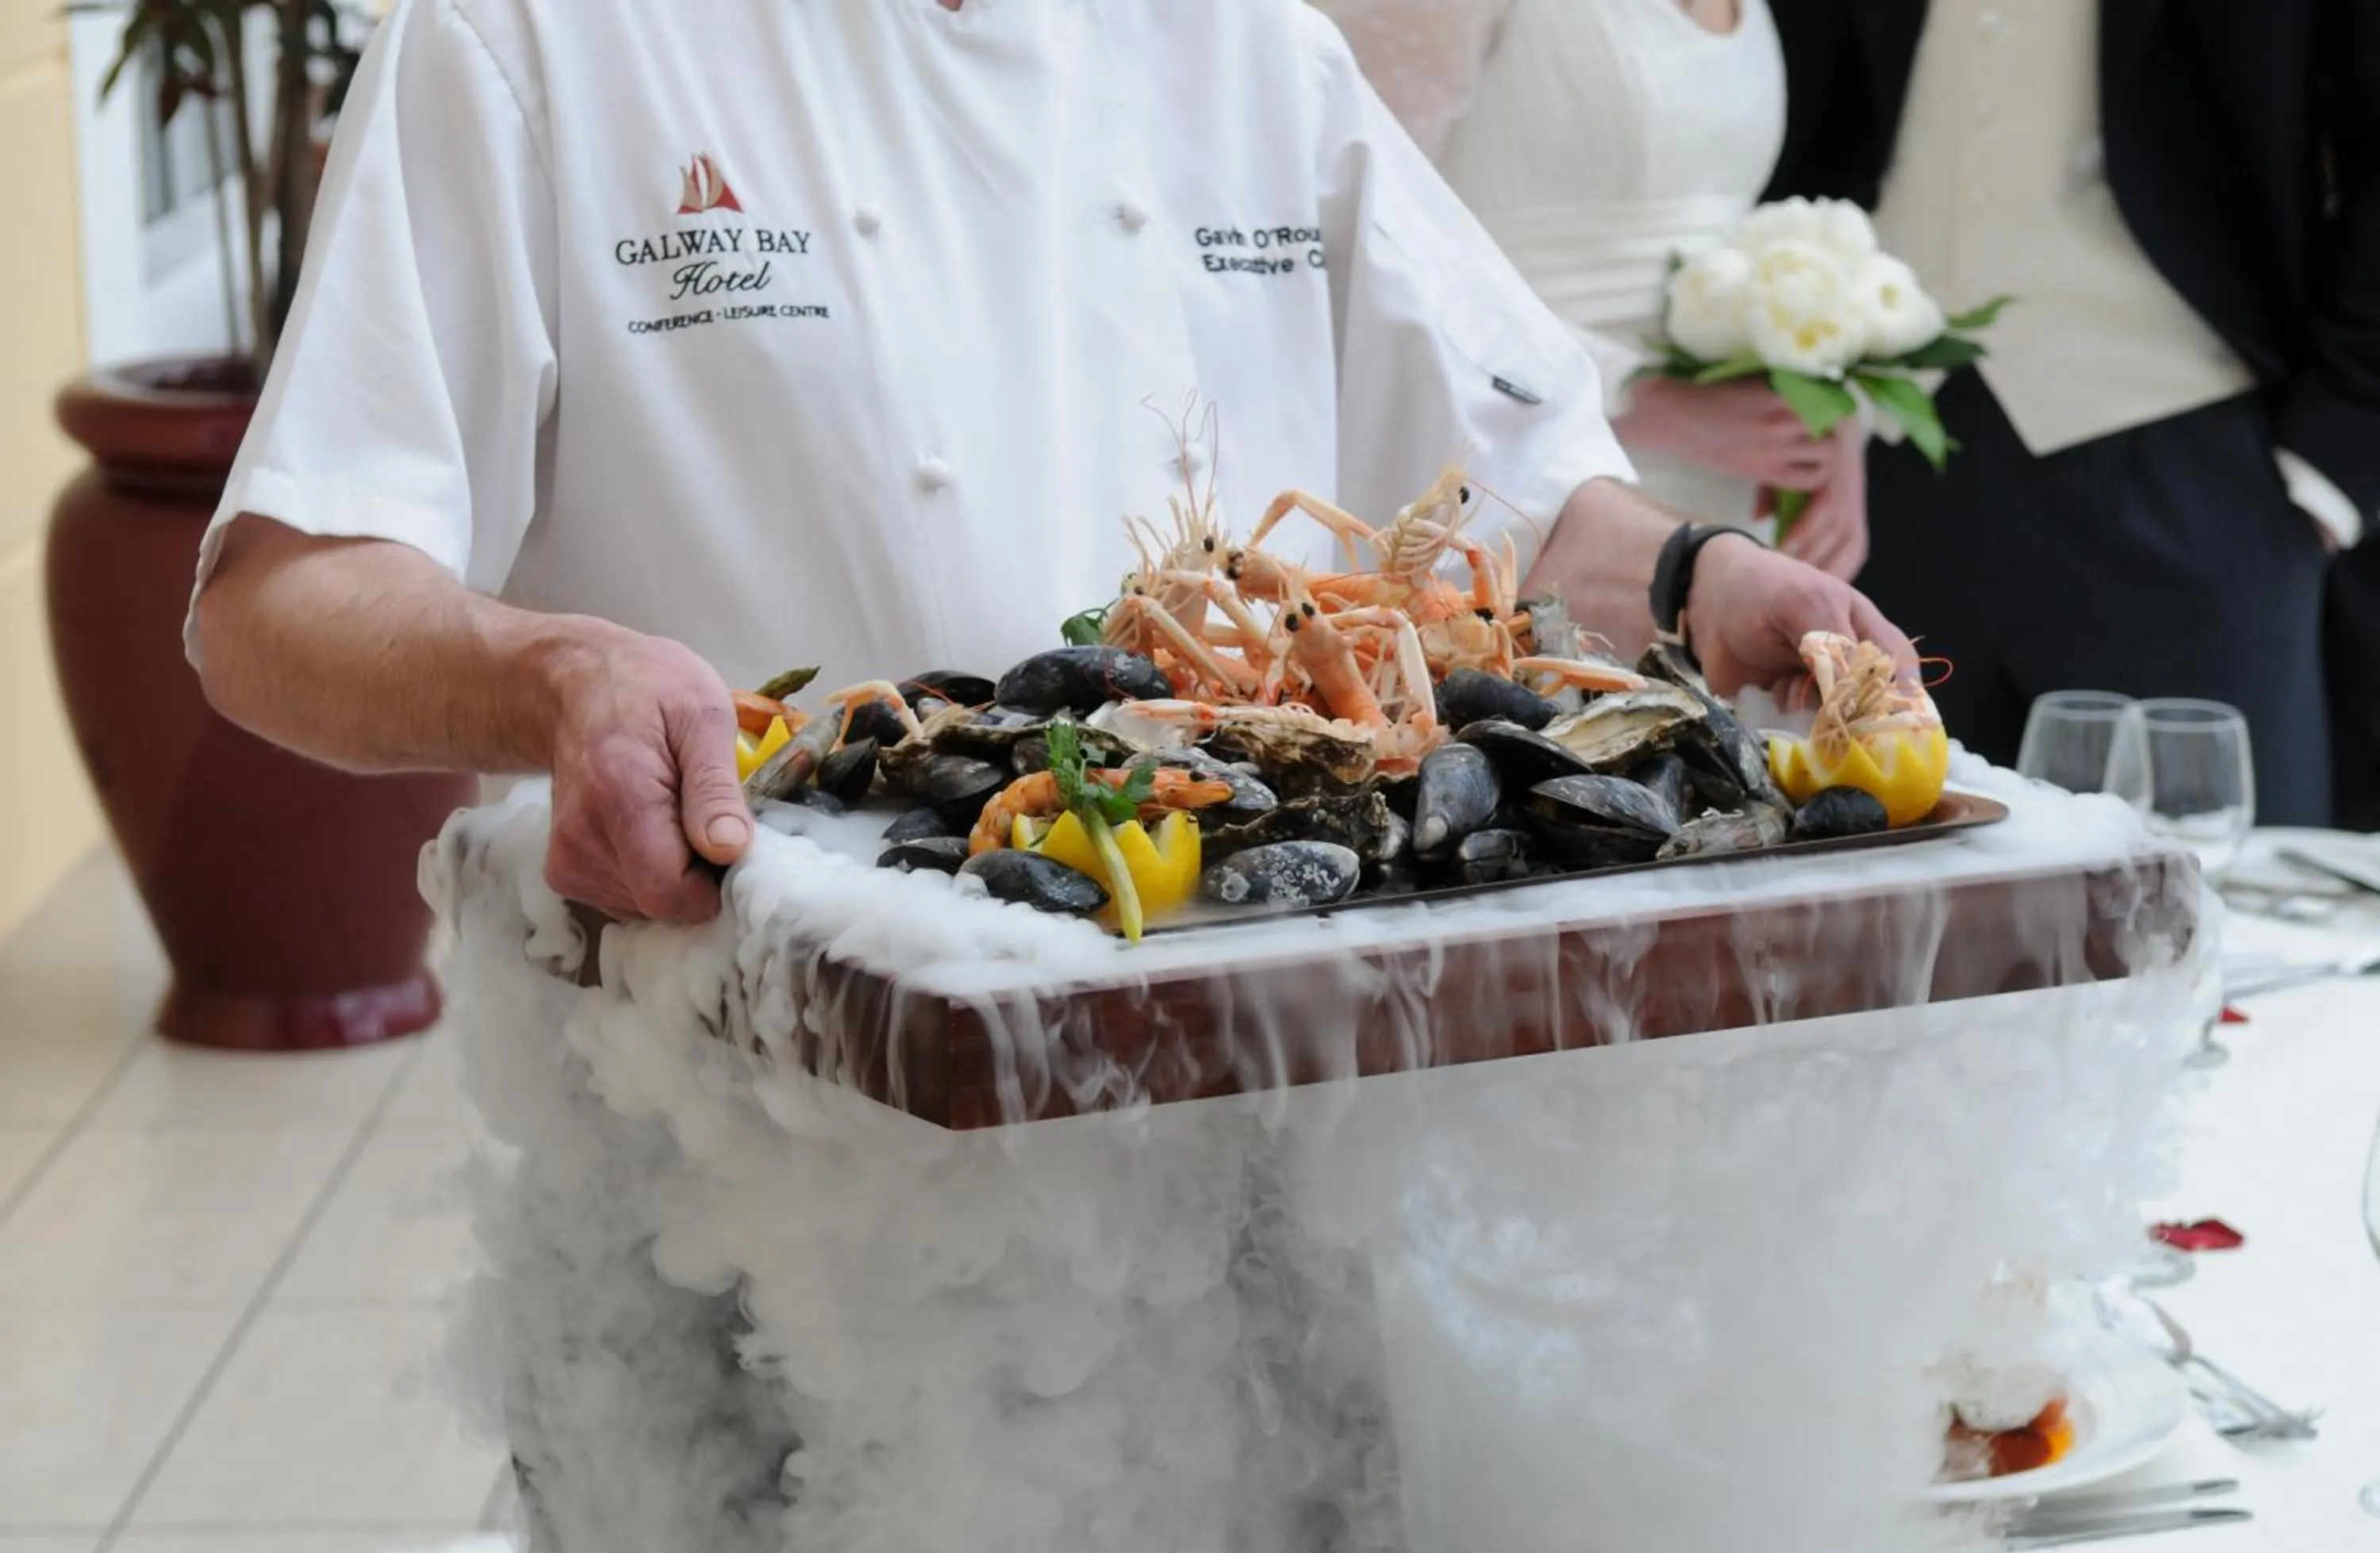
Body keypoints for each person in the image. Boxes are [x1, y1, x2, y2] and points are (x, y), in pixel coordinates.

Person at [190, 0, 1911, 930]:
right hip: (750, 1073)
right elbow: (286, 599)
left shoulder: (1247, 45)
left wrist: (1698, 582)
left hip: (1245, 1055)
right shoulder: (535, 38)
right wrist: (552, 677)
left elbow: (1508, 499)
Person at [1764, 1, 2380, 826]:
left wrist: (2331, 466)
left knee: (2212, 911)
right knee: (1900, 907)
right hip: (1886, 471)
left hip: (2193, 473)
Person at [1311, 0, 1871, 581]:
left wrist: (1819, 416)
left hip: (1731, 497)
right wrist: (1638, 401)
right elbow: (1355, 239)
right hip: (1521, 482)